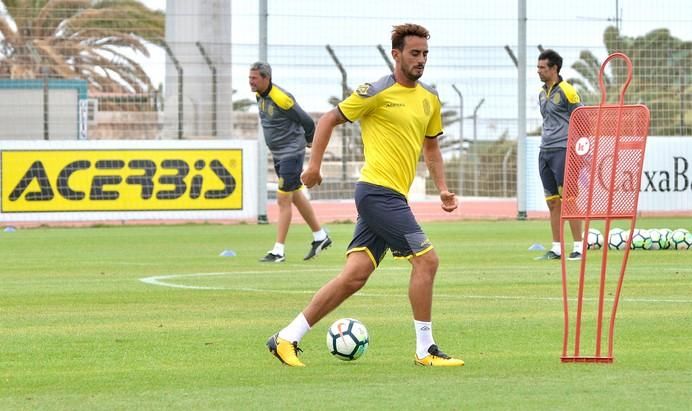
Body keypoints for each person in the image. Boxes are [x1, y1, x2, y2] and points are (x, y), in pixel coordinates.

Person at [266, 23, 464, 367]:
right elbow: (328, 119)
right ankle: (425, 350)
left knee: (354, 276)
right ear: (397, 54)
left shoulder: (429, 98)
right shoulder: (376, 92)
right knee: (427, 260)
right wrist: (314, 166)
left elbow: (431, 149)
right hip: (376, 194)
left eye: (425, 54)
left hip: (392, 197)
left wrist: (443, 188)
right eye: (414, 54)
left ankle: (287, 337)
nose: (421, 60)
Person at [249, 62, 332, 263]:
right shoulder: (260, 94)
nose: (250, 82)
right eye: (249, 78)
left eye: (254, 78)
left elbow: (307, 121)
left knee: (282, 199)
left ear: (266, 78)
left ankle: (278, 251)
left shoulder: (281, 98)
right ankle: (320, 236)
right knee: (294, 195)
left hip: (291, 154)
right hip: (278, 154)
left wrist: (311, 142)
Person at [535, 49, 584, 261]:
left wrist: (579, 151)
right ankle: (557, 248)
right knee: (553, 202)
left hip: (564, 152)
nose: (538, 71)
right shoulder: (541, 93)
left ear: (554, 68)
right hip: (544, 152)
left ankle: (579, 247)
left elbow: (583, 120)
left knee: (570, 200)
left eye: (542, 67)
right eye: (537, 67)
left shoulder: (568, 91)